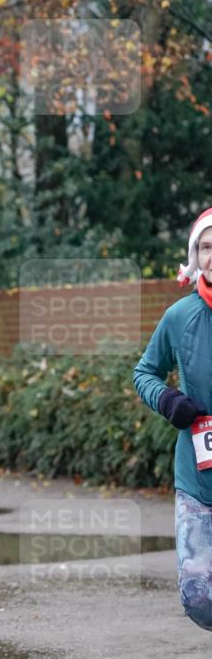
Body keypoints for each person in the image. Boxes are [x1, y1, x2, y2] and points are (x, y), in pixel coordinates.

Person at [133, 207, 212, 631]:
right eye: (205, 247)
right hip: (199, 478)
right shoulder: (180, 316)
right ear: (195, 256)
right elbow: (143, 371)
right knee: (199, 597)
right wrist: (167, 399)